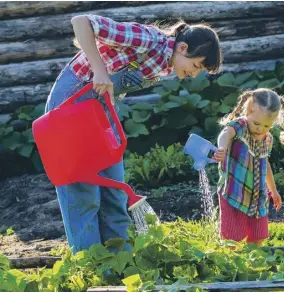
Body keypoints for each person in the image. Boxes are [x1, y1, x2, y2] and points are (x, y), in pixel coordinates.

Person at [44, 14, 222, 253]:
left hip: (99, 110)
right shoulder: (148, 40)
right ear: (182, 47)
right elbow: (81, 22)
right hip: (70, 104)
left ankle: (121, 262)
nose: (194, 74)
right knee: (84, 193)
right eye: (196, 66)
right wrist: (99, 71)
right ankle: (90, 265)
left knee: (115, 190)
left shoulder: (168, 65)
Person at [213, 88, 284, 246]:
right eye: (256, 123)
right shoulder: (241, 126)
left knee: (257, 237)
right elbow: (226, 133)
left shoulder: (267, 139)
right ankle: (229, 264)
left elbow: (264, 164)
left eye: (267, 126)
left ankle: (255, 264)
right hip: (234, 192)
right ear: (248, 110)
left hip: (257, 196)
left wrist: (273, 190)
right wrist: (221, 148)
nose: (260, 129)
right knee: (231, 238)